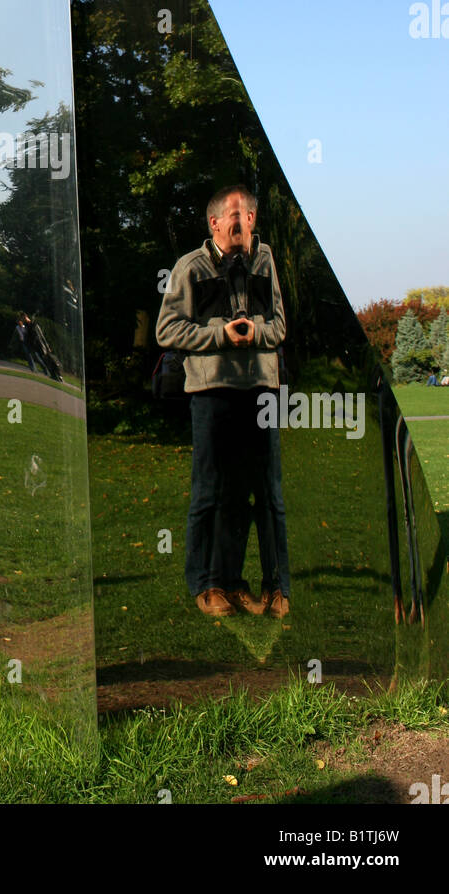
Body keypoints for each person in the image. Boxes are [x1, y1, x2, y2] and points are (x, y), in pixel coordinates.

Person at [156, 185, 290, 619]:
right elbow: (167, 331)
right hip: (212, 393)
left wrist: (257, 332)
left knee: (263, 493)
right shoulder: (189, 268)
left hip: (260, 391)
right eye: (233, 215)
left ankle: (269, 587)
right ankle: (205, 583)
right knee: (210, 492)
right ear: (213, 223)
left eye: (248, 214)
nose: (241, 221)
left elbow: (280, 327)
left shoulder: (265, 261)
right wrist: (220, 335)